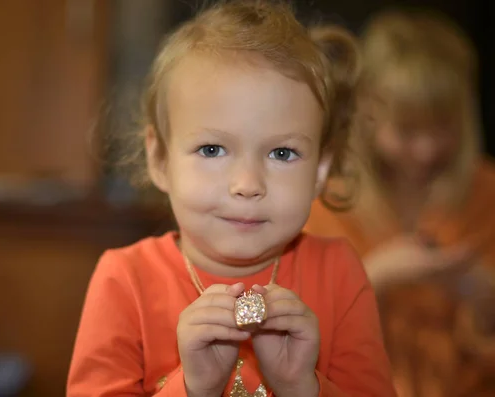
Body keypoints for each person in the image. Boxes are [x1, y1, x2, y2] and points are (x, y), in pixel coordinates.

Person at [67, 1, 396, 396]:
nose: (247, 183)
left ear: (320, 172)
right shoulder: (123, 280)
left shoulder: (339, 272)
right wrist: (192, 387)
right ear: (159, 159)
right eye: (211, 150)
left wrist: (302, 387)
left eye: (282, 153)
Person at [305, 8, 495, 397]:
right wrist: (376, 276)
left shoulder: (487, 192)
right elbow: (299, 338)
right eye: (407, 131)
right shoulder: (327, 203)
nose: (426, 151)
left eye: (443, 127)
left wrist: (483, 296)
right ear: (367, 116)